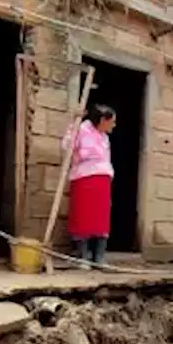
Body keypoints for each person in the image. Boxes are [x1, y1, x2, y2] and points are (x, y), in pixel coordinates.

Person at [63, 103, 116, 268]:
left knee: (101, 218)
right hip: (84, 179)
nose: (114, 125)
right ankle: (83, 256)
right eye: (112, 121)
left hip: (102, 181)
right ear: (102, 120)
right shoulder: (82, 130)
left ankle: (99, 257)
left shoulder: (105, 137)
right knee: (83, 216)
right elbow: (67, 146)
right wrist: (73, 123)